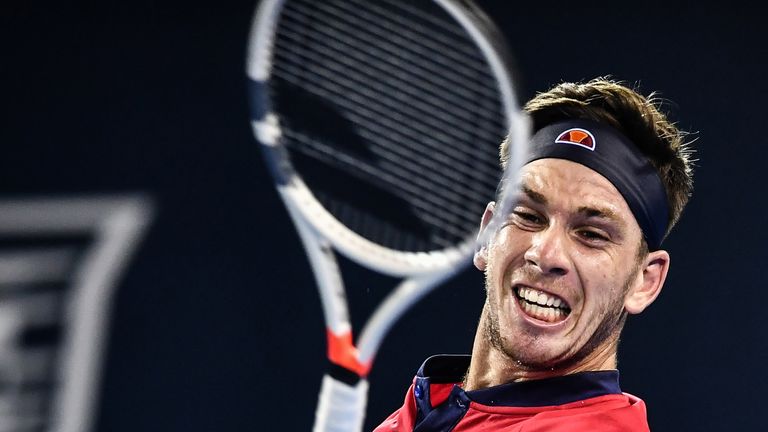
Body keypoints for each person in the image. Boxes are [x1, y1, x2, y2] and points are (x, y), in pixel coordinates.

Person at [373, 77, 695, 432]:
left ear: (645, 281)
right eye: (528, 215)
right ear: (487, 234)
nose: (545, 253)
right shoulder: (426, 405)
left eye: (591, 234)